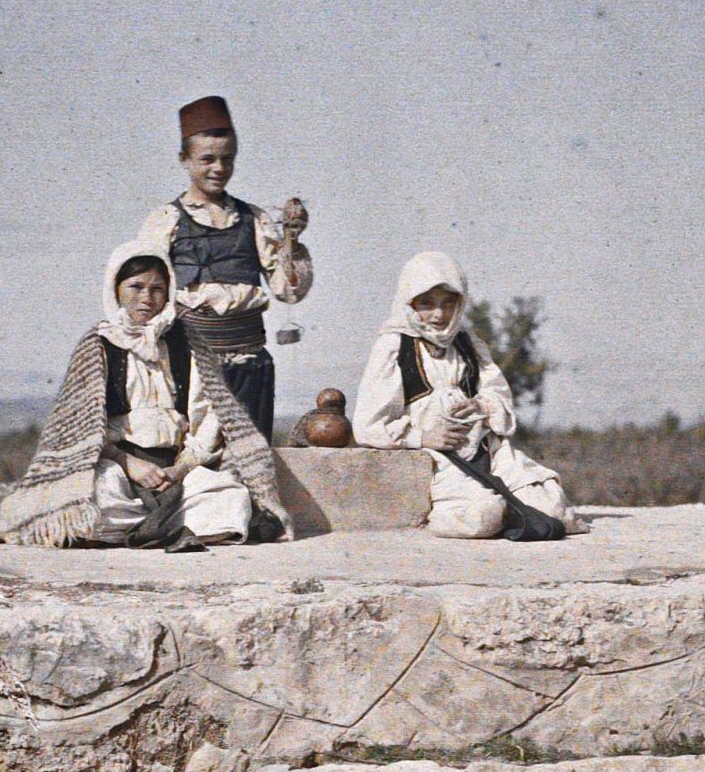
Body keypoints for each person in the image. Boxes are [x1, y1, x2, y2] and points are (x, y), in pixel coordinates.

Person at [0, 242, 291, 549]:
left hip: (175, 466)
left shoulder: (187, 342)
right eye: (136, 287)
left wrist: (180, 468)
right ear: (116, 289)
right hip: (118, 463)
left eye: (157, 288)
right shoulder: (97, 345)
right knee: (94, 501)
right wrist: (131, 465)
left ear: (168, 291)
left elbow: (210, 415)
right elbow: (80, 428)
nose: (147, 297)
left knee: (228, 497)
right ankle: (157, 529)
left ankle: (147, 529)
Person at [351, 251, 576, 541]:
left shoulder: (468, 344)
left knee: (554, 509)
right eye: (427, 304)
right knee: (480, 516)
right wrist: (423, 436)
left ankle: (512, 505)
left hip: (486, 449)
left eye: (448, 303)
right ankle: (503, 509)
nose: (439, 314)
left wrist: (480, 404)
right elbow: (369, 424)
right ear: (409, 303)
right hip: (436, 458)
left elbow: (498, 394)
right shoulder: (393, 346)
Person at [138, 95, 312, 441]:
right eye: (207, 159)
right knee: (193, 456)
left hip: (250, 366)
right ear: (184, 160)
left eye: (227, 159)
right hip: (190, 363)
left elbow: (288, 291)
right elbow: (145, 290)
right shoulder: (165, 221)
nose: (218, 168)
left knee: (251, 459)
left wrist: (292, 242)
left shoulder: (255, 218)